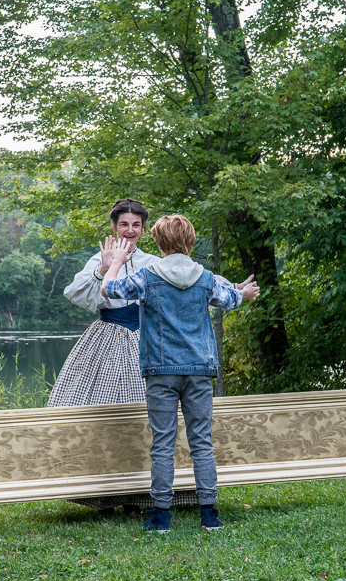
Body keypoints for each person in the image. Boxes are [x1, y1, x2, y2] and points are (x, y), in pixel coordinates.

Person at [48, 199, 250, 511]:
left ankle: (144, 496)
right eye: (124, 224)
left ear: (144, 229)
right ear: (114, 226)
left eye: (136, 225)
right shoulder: (99, 258)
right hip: (108, 339)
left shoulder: (152, 263)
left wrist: (235, 288)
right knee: (108, 419)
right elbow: (75, 294)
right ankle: (105, 491)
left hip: (150, 344)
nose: (129, 230)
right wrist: (103, 268)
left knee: (153, 425)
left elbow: (190, 286)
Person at [101, 215, 259, 532]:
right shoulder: (206, 277)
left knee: (163, 444)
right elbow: (231, 299)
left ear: (158, 243)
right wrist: (244, 293)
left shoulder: (148, 276)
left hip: (160, 370)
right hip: (199, 370)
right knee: (201, 444)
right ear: (191, 241)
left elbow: (109, 290)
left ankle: (161, 517)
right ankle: (210, 516)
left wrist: (116, 262)